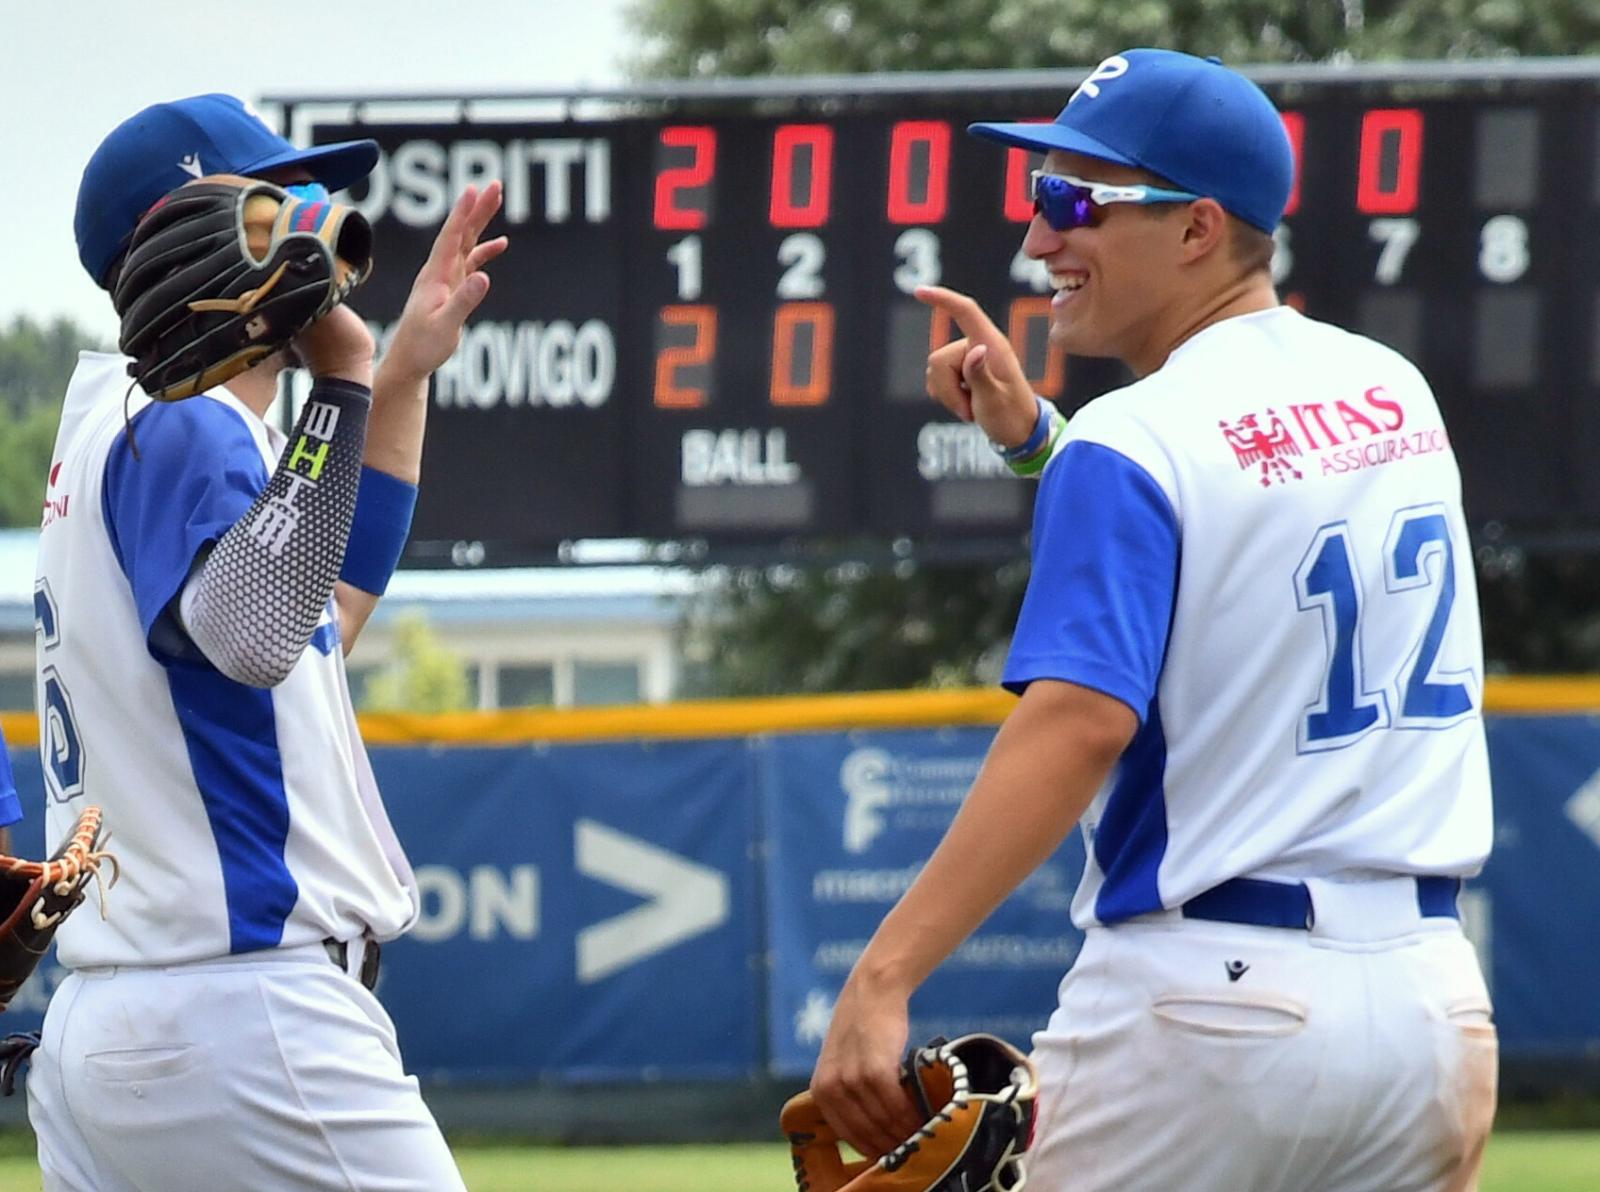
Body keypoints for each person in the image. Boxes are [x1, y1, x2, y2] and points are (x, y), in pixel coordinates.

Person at [810, 48, 1496, 1191]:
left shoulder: (1135, 439)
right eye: (1042, 197)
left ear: (1195, 228)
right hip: (1429, 1011)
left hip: (1208, 1011)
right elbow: (1237, 529)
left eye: (1077, 200)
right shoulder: (1391, 391)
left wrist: (883, 975)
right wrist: (1040, 442)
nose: (1039, 237)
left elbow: (1080, 720)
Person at [28, 93, 507, 1190]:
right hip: (244, 1020)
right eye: (277, 201)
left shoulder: (110, 424)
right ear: (198, 230)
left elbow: (320, 614)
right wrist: (342, 379)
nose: (312, 223)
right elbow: (252, 633)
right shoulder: (184, 420)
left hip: (125, 1022)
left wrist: (396, 379)